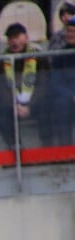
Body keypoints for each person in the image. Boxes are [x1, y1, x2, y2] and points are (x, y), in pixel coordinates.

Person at [0, 23, 53, 150]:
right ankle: (15, 147)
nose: (14, 41)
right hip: (13, 103)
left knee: (48, 106)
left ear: (26, 38)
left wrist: (29, 105)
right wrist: (14, 104)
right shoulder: (2, 60)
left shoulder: (39, 57)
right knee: (0, 111)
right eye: (10, 38)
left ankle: (48, 147)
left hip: (35, 101)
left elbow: (44, 85)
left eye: (16, 37)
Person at [48, 17, 75, 146]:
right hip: (68, 96)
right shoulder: (60, 56)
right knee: (61, 104)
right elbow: (55, 82)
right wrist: (71, 96)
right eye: (68, 31)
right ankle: (65, 149)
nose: (70, 34)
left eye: (73, 31)